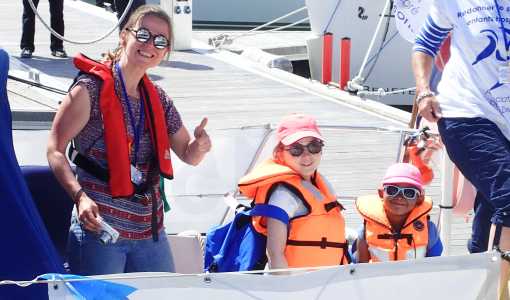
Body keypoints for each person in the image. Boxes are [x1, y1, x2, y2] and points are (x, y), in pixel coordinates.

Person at [47, 5, 211, 275]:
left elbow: (189, 154)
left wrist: (200, 145)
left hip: (150, 233)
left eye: (160, 41)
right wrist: (80, 198)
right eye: (143, 34)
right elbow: (54, 150)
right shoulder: (89, 89)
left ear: (165, 52)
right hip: (100, 230)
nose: (150, 45)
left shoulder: (159, 99)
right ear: (125, 35)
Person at [412, 1, 510, 296]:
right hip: (464, 113)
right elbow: (425, 44)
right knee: (509, 196)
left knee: (494, 203)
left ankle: (478, 274)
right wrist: (424, 91)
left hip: (505, 119)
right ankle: (497, 291)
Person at [238, 113, 349, 271]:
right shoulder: (283, 194)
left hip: (327, 281)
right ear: (279, 152)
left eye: (314, 146)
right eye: (296, 149)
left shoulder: (320, 183)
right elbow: (274, 254)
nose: (306, 155)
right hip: (298, 286)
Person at [354, 163, 443, 263]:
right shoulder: (365, 230)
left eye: (409, 192)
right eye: (392, 190)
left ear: (419, 199)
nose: (400, 197)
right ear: (381, 193)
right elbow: (360, 269)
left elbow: (435, 266)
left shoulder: (429, 230)